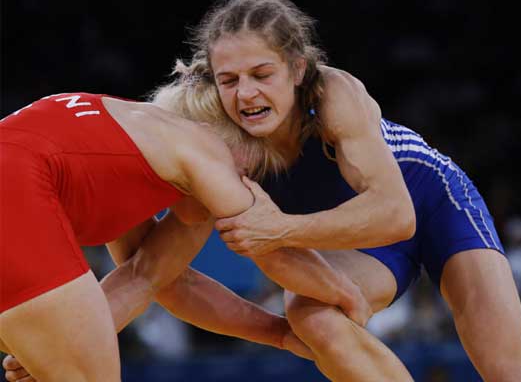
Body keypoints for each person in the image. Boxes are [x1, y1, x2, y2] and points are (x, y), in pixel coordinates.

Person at [164, 0, 521, 381]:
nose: (246, 94)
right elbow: (169, 273)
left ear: (298, 69)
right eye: (228, 80)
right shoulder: (217, 139)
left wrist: (280, 229)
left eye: (262, 75)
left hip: (433, 204)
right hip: (358, 241)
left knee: (510, 370)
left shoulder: (332, 95)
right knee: (310, 314)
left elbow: (397, 216)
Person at [0, 90, 374, 381]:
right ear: (233, 136)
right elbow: (270, 246)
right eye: (255, 168)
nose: (248, 185)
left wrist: (277, 333)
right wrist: (349, 294)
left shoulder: (125, 146)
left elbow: (153, 280)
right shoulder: (203, 144)